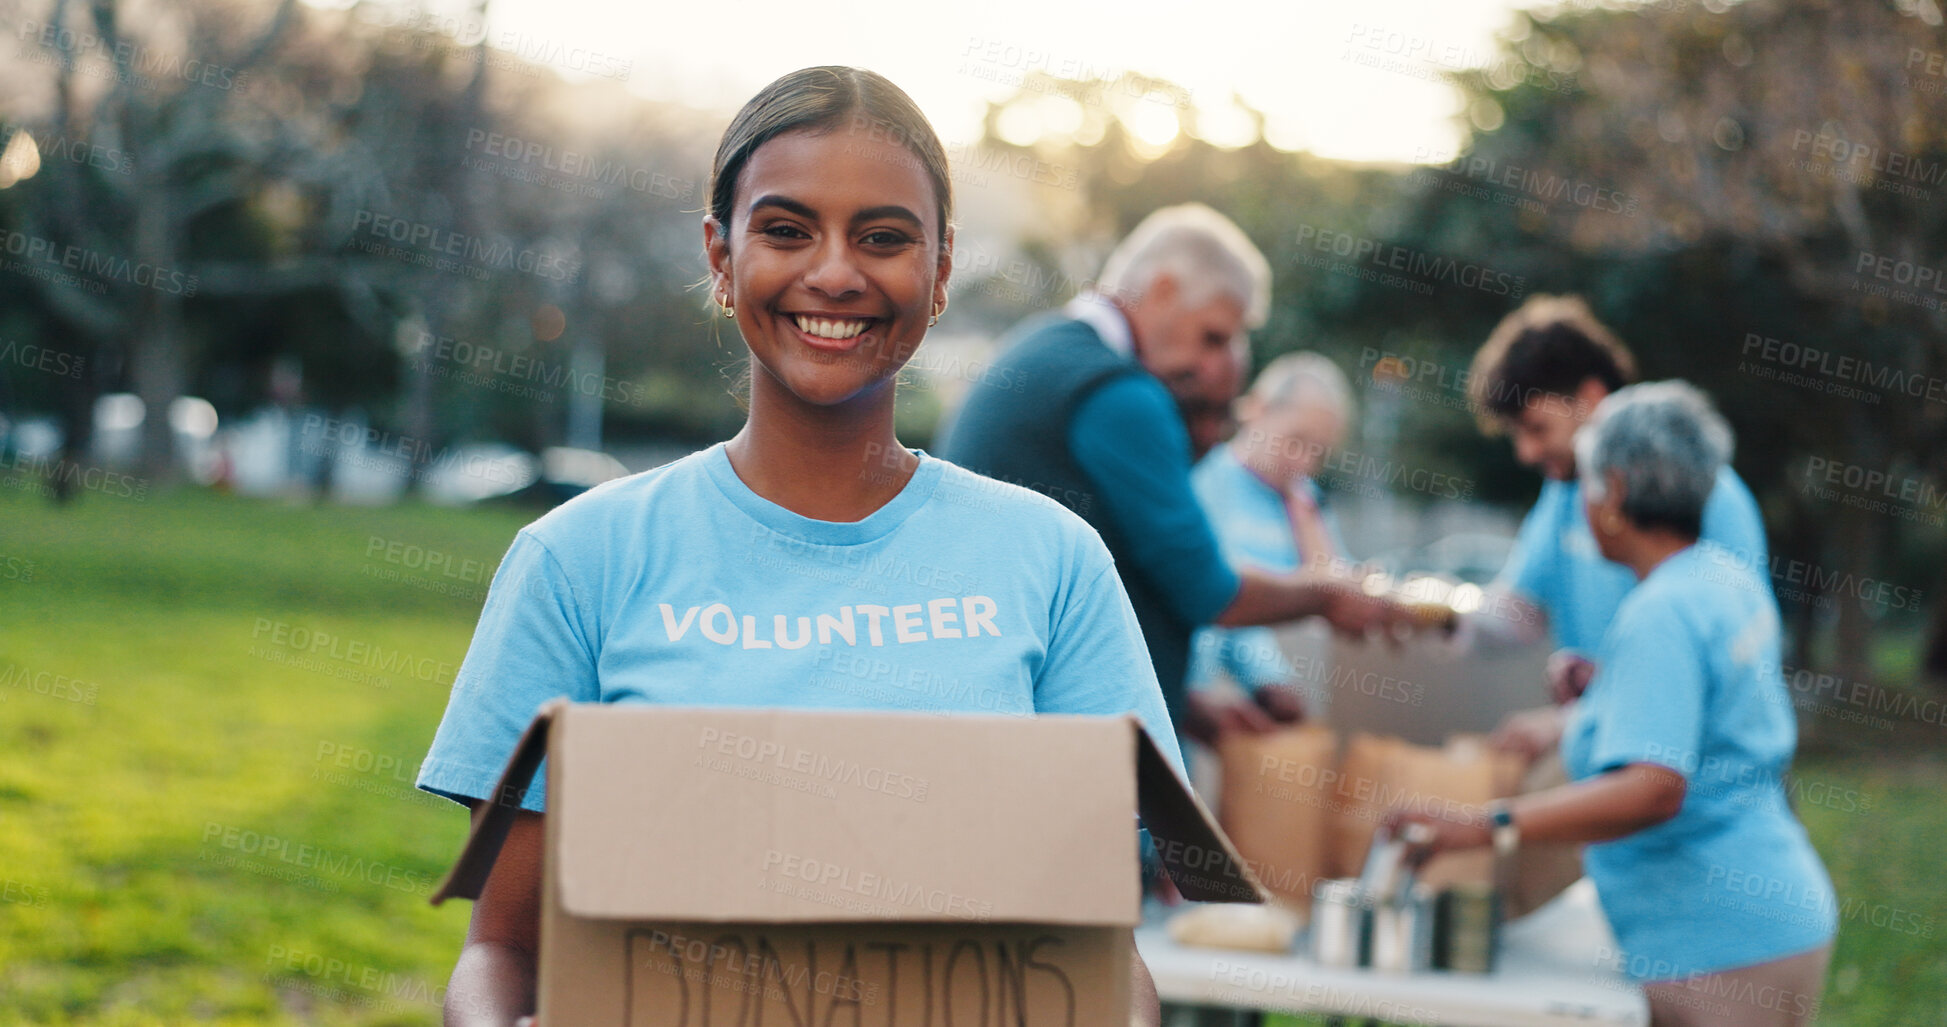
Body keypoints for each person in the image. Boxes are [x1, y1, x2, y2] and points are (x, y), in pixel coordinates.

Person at [415, 66, 1182, 1026]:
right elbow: (500, 951)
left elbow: (1097, 959)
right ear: (721, 256)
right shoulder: (579, 559)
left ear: (940, 271)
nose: (833, 272)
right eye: (785, 230)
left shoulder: (1053, 562)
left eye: (884, 238)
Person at [1390, 382, 1834, 1026]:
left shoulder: (1662, 612)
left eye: (1589, 487)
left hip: (1718, 943)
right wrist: (1611, 691)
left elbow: (1653, 788)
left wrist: (1486, 825)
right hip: (1775, 916)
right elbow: (1716, 707)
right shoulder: (1719, 576)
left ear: (1617, 493)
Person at [939, 205, 1408, 750]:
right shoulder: (1120, 394)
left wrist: (1184, 706)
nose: (1213, 367)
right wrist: (1329, 593)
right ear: (1161, 291)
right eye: (1211, 336)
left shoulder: (1041, 347)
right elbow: (1210, 591)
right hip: (1069, 750)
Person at [1457, 296, 1773, 760]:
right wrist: (1427, 610)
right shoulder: (1564, 493)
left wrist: (1581, 717)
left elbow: (1721, 675)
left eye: (1536, 428)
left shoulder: (1707, 508)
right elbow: (1519, 608)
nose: (1525, 454)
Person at [1185, 352, 1357, 735]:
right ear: (1257, 410)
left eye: (1319, 451)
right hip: (1204, 701)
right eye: (1295, 441)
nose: (1303, 462)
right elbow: (1222, 598)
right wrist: (1266, 676)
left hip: (1288, 711)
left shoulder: (1308, 504)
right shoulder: (1203, 483)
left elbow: (1340, 593)